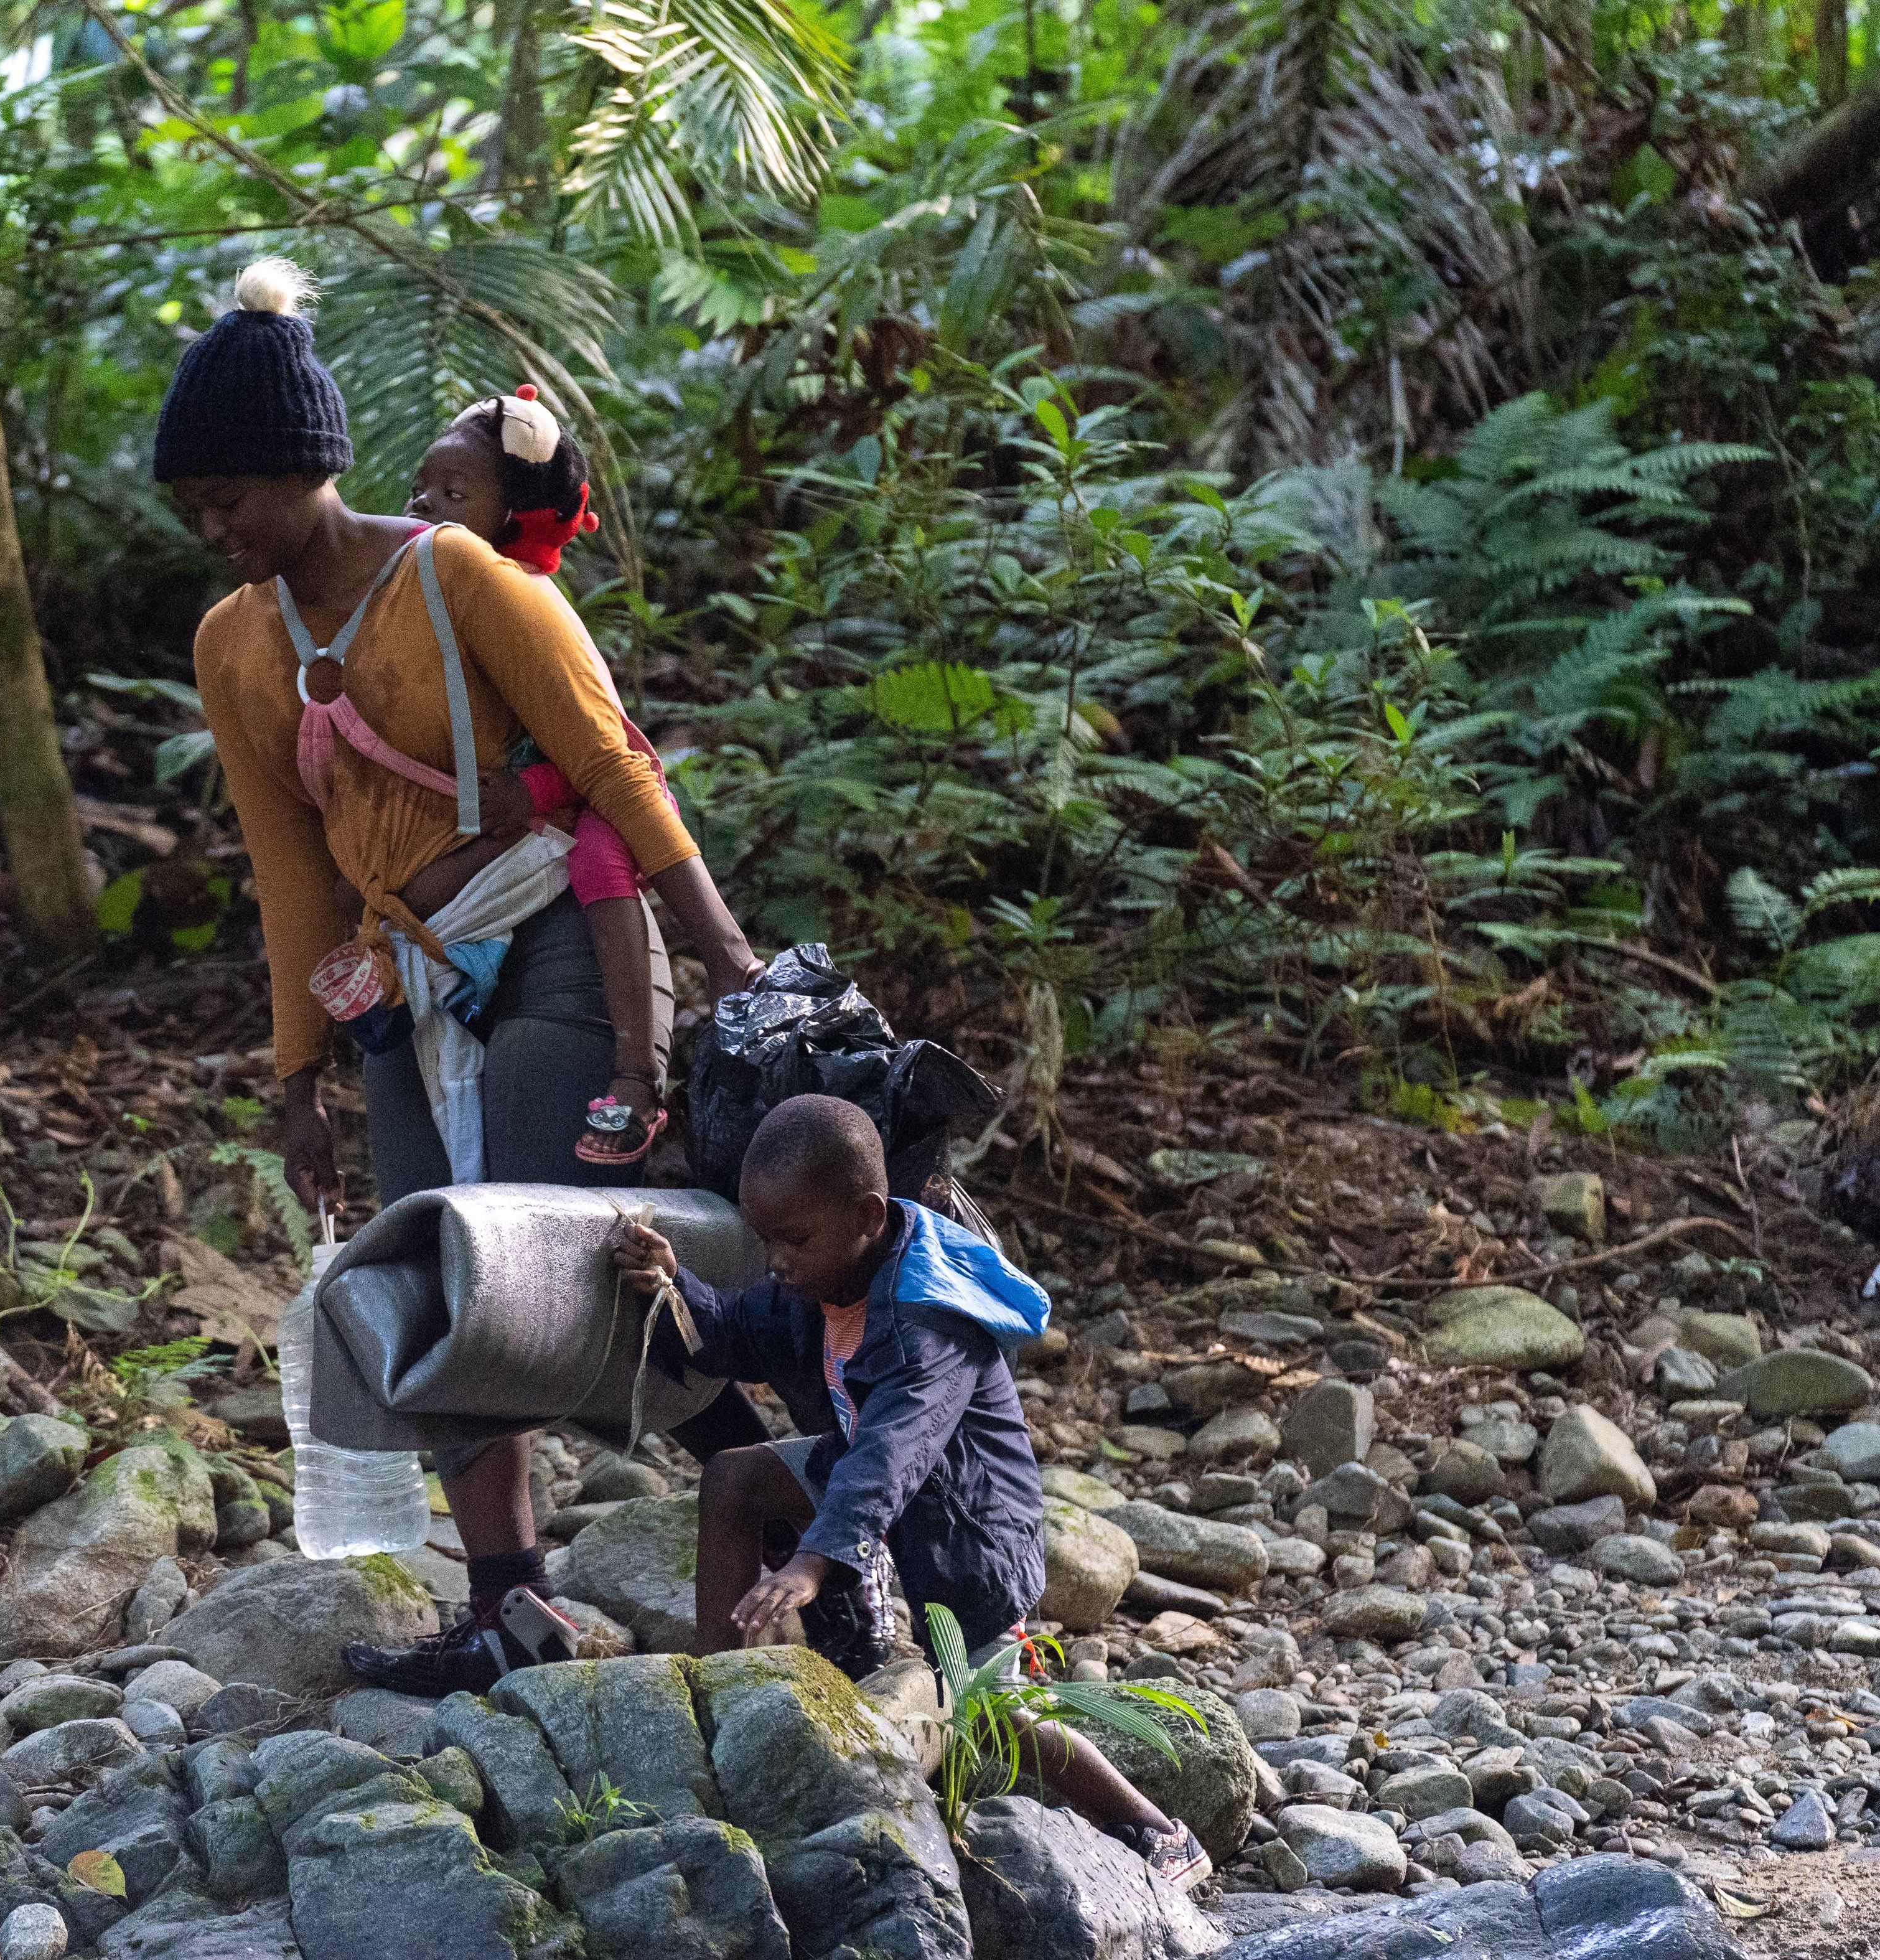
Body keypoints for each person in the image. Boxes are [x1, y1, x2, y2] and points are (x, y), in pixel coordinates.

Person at [161, 258, 769, 1689]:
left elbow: (611, 757)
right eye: (194, 510)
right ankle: (509, 1605)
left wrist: (722, 953)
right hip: (393, 982)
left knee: (558, 1264)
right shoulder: (230, 646)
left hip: (554, 942)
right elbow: (288, 869)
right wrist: (295, 1075)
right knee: (436, 1282)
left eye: (229, 498)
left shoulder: (451, 573)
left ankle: (781, 1486)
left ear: (303, 469)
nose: (214, 530)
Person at [609, 1094, 1214, 1888]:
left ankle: (1156, 1828)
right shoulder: (820, 1280)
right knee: (734, 1477)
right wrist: (673, 1279)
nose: (777, 1260)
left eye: (793, 1239)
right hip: (879, 1502)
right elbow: (735, 1328)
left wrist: (815, 1560)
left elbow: (893, 1453)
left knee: (987, 1708)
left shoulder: (928, 1315)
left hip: (965, 1533)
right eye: (767, 1240)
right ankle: (723, 1706)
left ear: (865, 1214)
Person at [404, 385, 673, 1165]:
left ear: (514, 515)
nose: (426, 505)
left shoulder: (524, 600)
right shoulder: (414, 607)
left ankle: (637, 1073)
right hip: (493, 865)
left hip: (589, 804)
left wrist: (530, 794)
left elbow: (614, 752)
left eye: (455, 495)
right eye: (421, 488)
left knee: (597, 855)